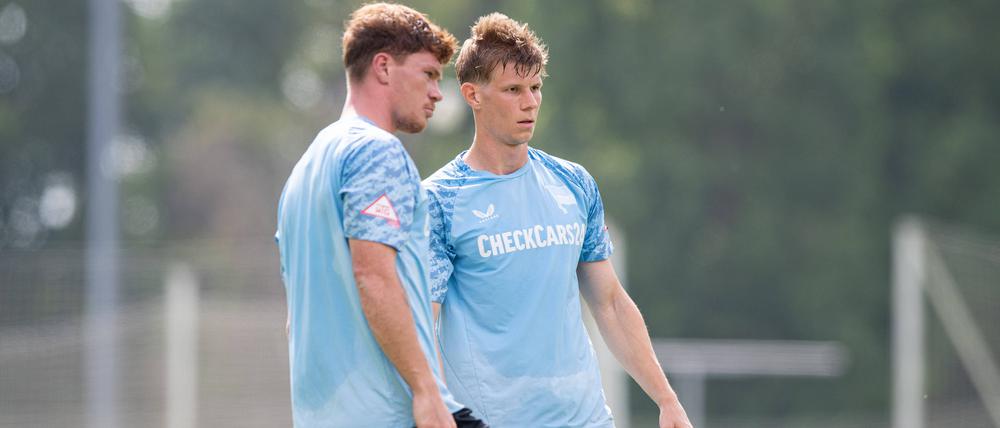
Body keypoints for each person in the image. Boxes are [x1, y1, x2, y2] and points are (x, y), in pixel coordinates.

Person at [423, 13, 693, 428]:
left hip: (587, 419)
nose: (530, 102)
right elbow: (423, 325)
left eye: (535, 88)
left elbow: (610, 302)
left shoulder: (573, 182)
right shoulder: (439, 200)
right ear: (472, 95)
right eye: (513, 90)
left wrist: (666, 399)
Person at [275, 4, 485, 427]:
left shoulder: (304, 171)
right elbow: (373, 276)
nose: (437, 93)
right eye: (428, 74)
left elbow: (295, 321)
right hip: (389, 412)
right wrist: (426, 390)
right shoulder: (376, 150)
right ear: (384, 67)